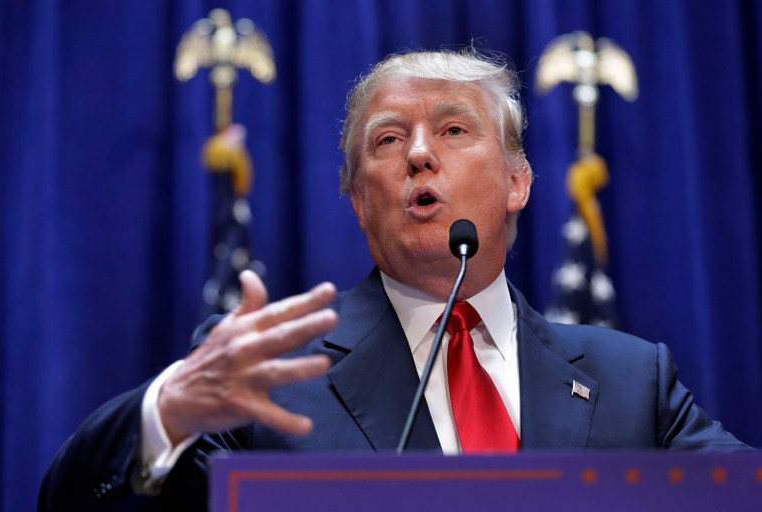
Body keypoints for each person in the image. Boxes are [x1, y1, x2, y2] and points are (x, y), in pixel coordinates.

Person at [39, 48, 752, 511]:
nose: (418, 154)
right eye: (387, 140)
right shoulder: (272, 375)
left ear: (517, 182)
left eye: (452, 131)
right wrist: (166, 413)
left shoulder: (634, 382)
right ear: (356, 199)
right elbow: (69, 504)